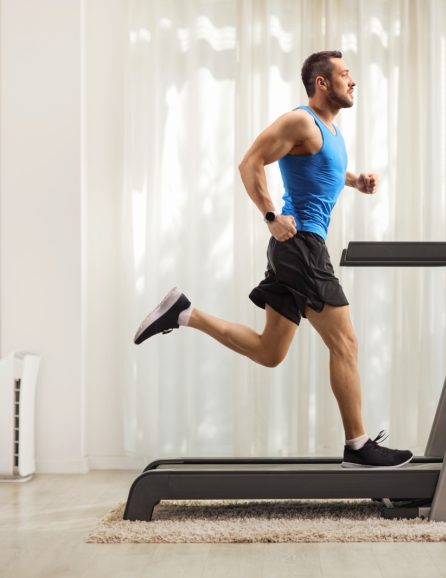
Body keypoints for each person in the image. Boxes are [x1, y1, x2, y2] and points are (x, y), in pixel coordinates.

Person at [133, 51, 413, 469]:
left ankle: (185, 313)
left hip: (295, 249)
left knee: (270, 351)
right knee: (346, 343)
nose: (353, 81)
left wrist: (356, 181)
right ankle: (358, 446)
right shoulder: (301, 121)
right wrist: (269, 217)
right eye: (345, 74)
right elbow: (250, 163)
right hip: (301, 246)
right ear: (322, 83)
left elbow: (326, 171)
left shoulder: (330, 132)